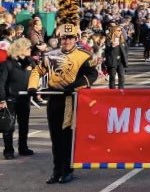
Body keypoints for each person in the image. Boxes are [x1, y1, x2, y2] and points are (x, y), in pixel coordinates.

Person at [27, 23, 99, 184]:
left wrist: (73, 86)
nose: (66, 41)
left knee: (66, 137)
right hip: (54, 98)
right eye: (64, 38)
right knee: (55, 137)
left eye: (70, 38)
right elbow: (37, 71)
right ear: (59, 39)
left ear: (75, 39)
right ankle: (56, 170)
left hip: (70, 99)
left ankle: (67, 169)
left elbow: (93, 74)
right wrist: (32, 87)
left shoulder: (83, 56)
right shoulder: (50, 55)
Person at [0, 38, 35, 159]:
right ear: (20, 49)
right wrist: (2, 99)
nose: (30, 49)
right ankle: (8, 150)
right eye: (28, 47)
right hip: (11, 99)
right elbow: (1, 82)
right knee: (9, 126)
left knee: (24, 125)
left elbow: (38, 72)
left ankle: (23, 147)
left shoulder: (30, 62)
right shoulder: (7, 64)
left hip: (24, 98)